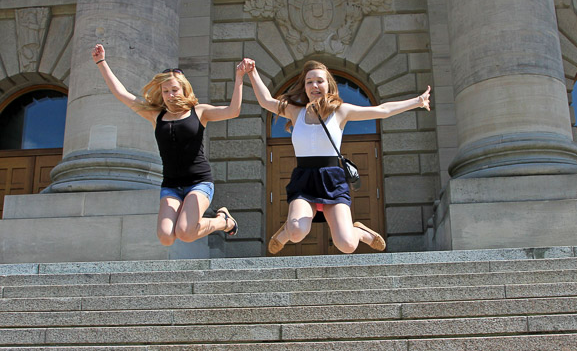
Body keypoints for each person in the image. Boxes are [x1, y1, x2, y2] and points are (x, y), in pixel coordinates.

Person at [242, 58, 430, 255]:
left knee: (347, 245)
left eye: (319, 81)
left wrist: (417, 101)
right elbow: (265, 101)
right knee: (298, 232)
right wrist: (252, 72)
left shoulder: (341, 111)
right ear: (304, 87)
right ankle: (290, 228)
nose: (314, 85)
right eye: (309, 82)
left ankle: (358, 231)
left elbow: (382, 111)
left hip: (332, 180)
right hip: (304, 179)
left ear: (328, 85)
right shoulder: (294, 111)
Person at [92, 43, 244, 246]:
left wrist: (240, 77)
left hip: (199, 182)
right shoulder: (156, 115)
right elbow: (122, 94)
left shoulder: (199, 112)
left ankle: (223, 221)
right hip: (171, 185)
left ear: (184, 89)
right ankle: (217, 220)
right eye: (166, 91)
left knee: (185, 232)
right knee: (166, 237)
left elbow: (233, 111)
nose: (170, 95)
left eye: (174, 89)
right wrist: (101, 62)